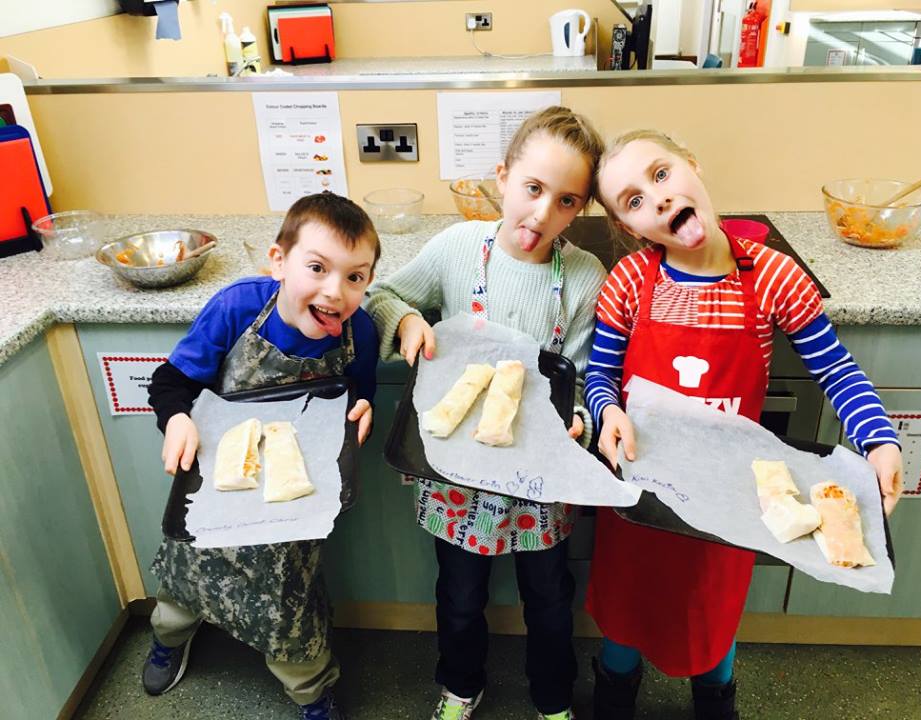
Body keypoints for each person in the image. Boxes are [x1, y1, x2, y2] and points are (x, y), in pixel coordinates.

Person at [583, 130, 904, 720]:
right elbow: (599, 375)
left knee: (712, 613)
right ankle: (614, 695)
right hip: (639, 494)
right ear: (629, 226)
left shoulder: (773, 278)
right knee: (628, 611)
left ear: (692, 165)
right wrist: (606, 411)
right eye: (633, 200)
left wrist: (878, 439)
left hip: (730, 498)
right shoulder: (629, 282)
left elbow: (836, 370)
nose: (657, 198)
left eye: (661, 174)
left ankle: (715, 701)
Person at [365, 106, 607, 720]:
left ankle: (553, 697)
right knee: (460, 594)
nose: (542, 214)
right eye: (532, 188)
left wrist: (580, 420)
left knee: (549, 597)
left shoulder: (584, 276)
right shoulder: (456, 248)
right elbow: (381, 295)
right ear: (502, 177)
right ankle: (460, 686)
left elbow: (584, 377)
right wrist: (408, 320)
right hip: (458, 471)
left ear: (580, 208)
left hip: (541, 473)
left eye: (566, 201)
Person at [143, 192, 380, 720]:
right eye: (316, 268)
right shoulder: (238, 308)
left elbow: (359, 392)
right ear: (279, 261)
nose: (335, 291)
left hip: (294, 505)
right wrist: (176, 418)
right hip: (216, 484)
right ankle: (168, 639)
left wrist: (365, 407)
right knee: (183, 585)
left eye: (355, 277)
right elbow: (171, 381)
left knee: (290, 605)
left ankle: (312, 692)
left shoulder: (360, 331)